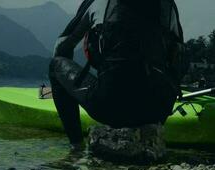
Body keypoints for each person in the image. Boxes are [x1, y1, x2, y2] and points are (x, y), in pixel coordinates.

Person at [49, 0, 186, 146]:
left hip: (109, 107)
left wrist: (68, 90)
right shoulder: (168, 5)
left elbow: (62, 47)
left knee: (55, 65)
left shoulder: (97, 2)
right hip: (158, 110)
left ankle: (76, 147)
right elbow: (180, 60)